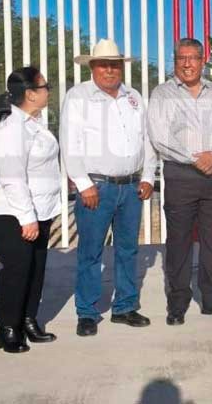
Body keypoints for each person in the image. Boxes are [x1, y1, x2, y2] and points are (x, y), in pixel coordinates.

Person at [60, 39, 157, 336]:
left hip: (131, 187)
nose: (110, 70)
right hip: (96, 187)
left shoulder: (133, 97)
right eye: (103, 65)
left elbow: (147, 139)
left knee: (128, 249)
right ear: (92, 67)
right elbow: (70, 142)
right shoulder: (78, 97)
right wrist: (83, 184)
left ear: (121, 68)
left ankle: (125, 307)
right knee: (90, 252)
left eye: (114, 65)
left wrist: (148, 176)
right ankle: (87, 312)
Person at [147, 38, 212, 326]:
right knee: (179, 241)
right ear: (175, 61)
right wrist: (194, 159)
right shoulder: (162, 94)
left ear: (203, 61)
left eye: (193, 58)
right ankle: (178, 302)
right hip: (181, 175)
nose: (187, 64)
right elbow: (160, 136)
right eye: (181, 58)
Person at [0, 67, 60, 353]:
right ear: (30, 94)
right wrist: (27, 218)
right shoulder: (10, 129)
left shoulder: (34, 123)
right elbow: (12, 178)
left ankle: (28, 320)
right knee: (18, 268)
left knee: (35, 267)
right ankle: (8, 328)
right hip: (11, 210)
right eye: (45, 86)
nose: (48, 91)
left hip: (39, 208)